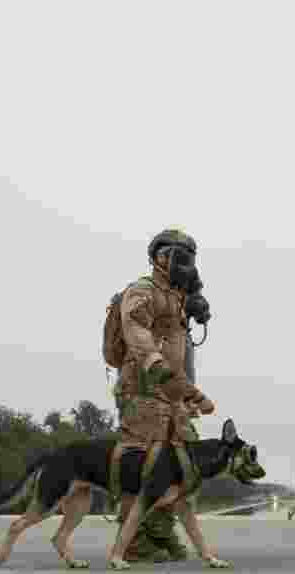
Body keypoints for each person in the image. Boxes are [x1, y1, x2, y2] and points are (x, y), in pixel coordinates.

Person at [114, 228, 216, 563]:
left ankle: (160, 530)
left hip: (172, 394)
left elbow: (180, 350)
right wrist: (156, 365)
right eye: (180, 257)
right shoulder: (142, 291)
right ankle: (133, 543)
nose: (187, 266)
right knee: (140, 465)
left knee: (179, 468)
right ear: (159, 257)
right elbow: (136, 331)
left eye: (190, 259)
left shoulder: (176, 298)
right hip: (143, 391)